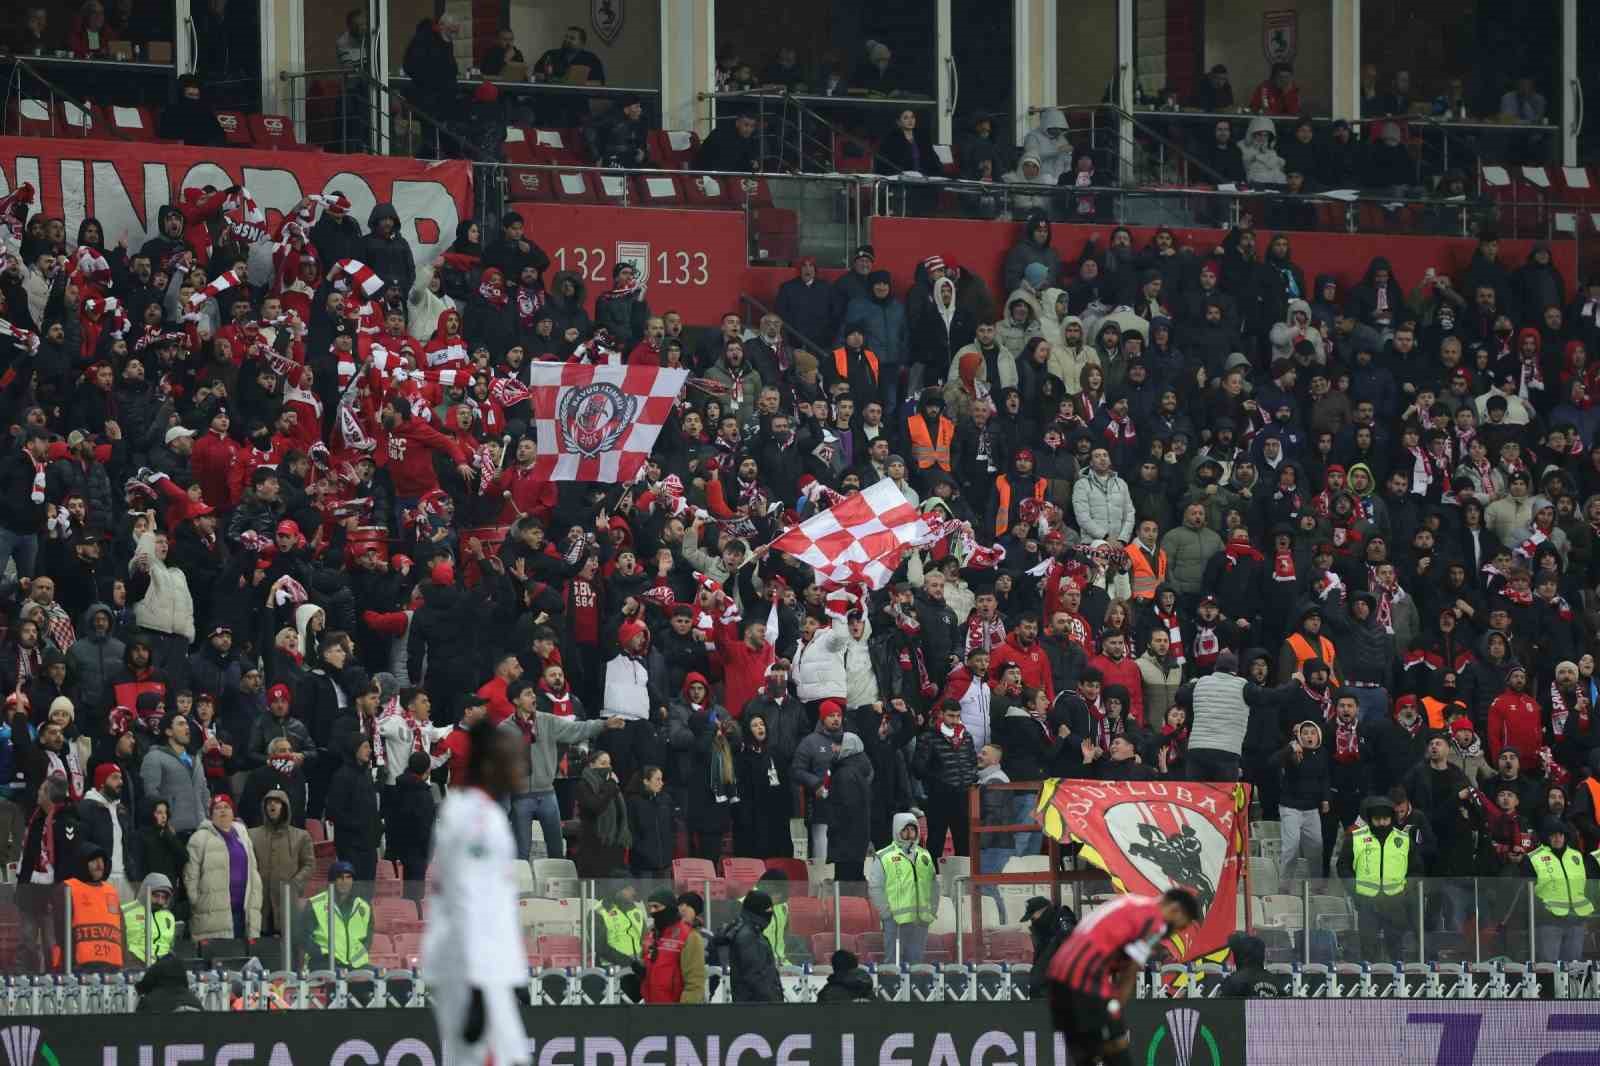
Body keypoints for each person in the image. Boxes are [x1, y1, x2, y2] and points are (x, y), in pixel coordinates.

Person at [423, 720, 531, 1066]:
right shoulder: (476, 818)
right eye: (513, 759)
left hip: (486, 969)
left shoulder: (478, 811)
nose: (522, 767)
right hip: (474, 971)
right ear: (489, 765)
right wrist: (476, 985)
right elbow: (468, 899)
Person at [1044, 889, 1202, 1066]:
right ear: (1175, 909)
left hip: (1057, 974)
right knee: (1117, 1045)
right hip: (1084, 978)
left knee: (1085, 1053)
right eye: (1180, 927)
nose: (1174, 933)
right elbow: (1130, 970)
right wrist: (1116, 1009)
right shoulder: (1155, 921)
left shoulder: (1129, 902)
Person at [1335, 794, 1419, 961]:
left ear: (1391, 818)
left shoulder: (1403, 839)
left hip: (1395, 902)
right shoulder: (1356, 838)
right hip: (1367, 902)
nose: (1381, 823)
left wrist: (1405, 892)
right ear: (1370, 819)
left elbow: (1416, 870)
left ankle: (1396, 976)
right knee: (1368, 949)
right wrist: (1355, 892)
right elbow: (1343, 867)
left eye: (1385, 819)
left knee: (1396, 950)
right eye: (1377, 819)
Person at [184, 794, 263, 944]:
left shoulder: (243, 836)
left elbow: (253, 872)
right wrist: (197, 902)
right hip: (211, 915)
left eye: (226, 807)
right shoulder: (199, 838)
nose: (222, 811)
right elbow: (190, 875)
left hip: (241, 913)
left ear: (233, 812)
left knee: (241, 956)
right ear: (210, 814)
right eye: (217, 808)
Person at [1520, 818, 1600, 962]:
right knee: (1549, 967)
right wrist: (1542, 912)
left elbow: (1588, 886)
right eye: (1553, 835)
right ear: (1546, 837)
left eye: (1560, 834)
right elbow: (1527, 891)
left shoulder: (1577, 856)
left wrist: (1586, 913)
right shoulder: (1533, 858)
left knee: (1574, 968)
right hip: (1549, 921)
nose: (1557, 838)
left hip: (1576, 919)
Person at [867, 811, 938, 964]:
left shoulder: (925, 855)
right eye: (905, 829)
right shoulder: (884, 856)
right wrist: (886, 913)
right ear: (897, 830)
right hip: (895, 921)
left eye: (913, 829)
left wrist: (932, 910)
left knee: (916, 963)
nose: (910, 833)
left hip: (920, 920)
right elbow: (875, 887)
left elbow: (933, 885)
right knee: (893, 963)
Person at [247, 787, 312, 936]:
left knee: (288, 943)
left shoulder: (301, 836)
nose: (272, 805)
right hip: (260, 901)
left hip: (287, 900)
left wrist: (295, 883)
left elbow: (309, 864)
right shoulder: (251, 835)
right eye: (269, 802)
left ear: (285, 807)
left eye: (277, 802)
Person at [711, 889, 783, 1003]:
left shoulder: (746, 931)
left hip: (750, 1004)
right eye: (768, 910)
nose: (771, 913)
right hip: (759, 1006)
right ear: (758, 910)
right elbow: (757, 977)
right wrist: (774, 1003)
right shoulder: (750, 936)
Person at [62, 842, 124, 972]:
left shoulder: (111, 891)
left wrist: (124, 962)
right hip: (80, 967)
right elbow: (59, 930)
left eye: (101, 860)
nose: (99, 865)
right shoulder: (68, 888)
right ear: (82, 863)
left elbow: (122, 930)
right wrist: (68, 962)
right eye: (94, 860)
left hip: (113, 967)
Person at [640, 886, 707, 1003]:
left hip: (674, 1007)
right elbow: (649, 962)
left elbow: (695, 981)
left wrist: (684, 1010)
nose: (652, 911)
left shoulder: (689, 936)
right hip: (650, 1004)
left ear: (669, 907)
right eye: (650, 907)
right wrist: (641, 970)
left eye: (656, 906)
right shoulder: (651, 933)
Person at [304, 860, 374, 969]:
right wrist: (322, 955)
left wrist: (355, 961)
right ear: (332, 881)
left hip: (355, 965)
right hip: (325, 963)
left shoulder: (364, 906)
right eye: (340, 877)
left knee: (384, 975)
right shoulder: (316, 904)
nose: (344, 881)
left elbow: (367, 941)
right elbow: (304, 937)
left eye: (348, 877)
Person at [122, 873, 176, 966]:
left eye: (163, 897)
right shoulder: (126, 911)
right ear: (145, 892)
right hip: (134, 962)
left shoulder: (168, 917)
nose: (159, 901)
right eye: (156, 896)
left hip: (163, 964)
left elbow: (170, 945)